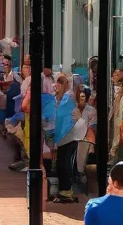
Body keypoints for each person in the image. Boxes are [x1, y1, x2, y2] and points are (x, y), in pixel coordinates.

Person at [48, 73, 79, 202]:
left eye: (58, 84)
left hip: (68, 135)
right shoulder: (65, 97)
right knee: (62, 163)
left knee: (64, 163)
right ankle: (63, 190)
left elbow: (59, 115)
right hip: (64, 135)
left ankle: (66, 190)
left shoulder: (68, 97)